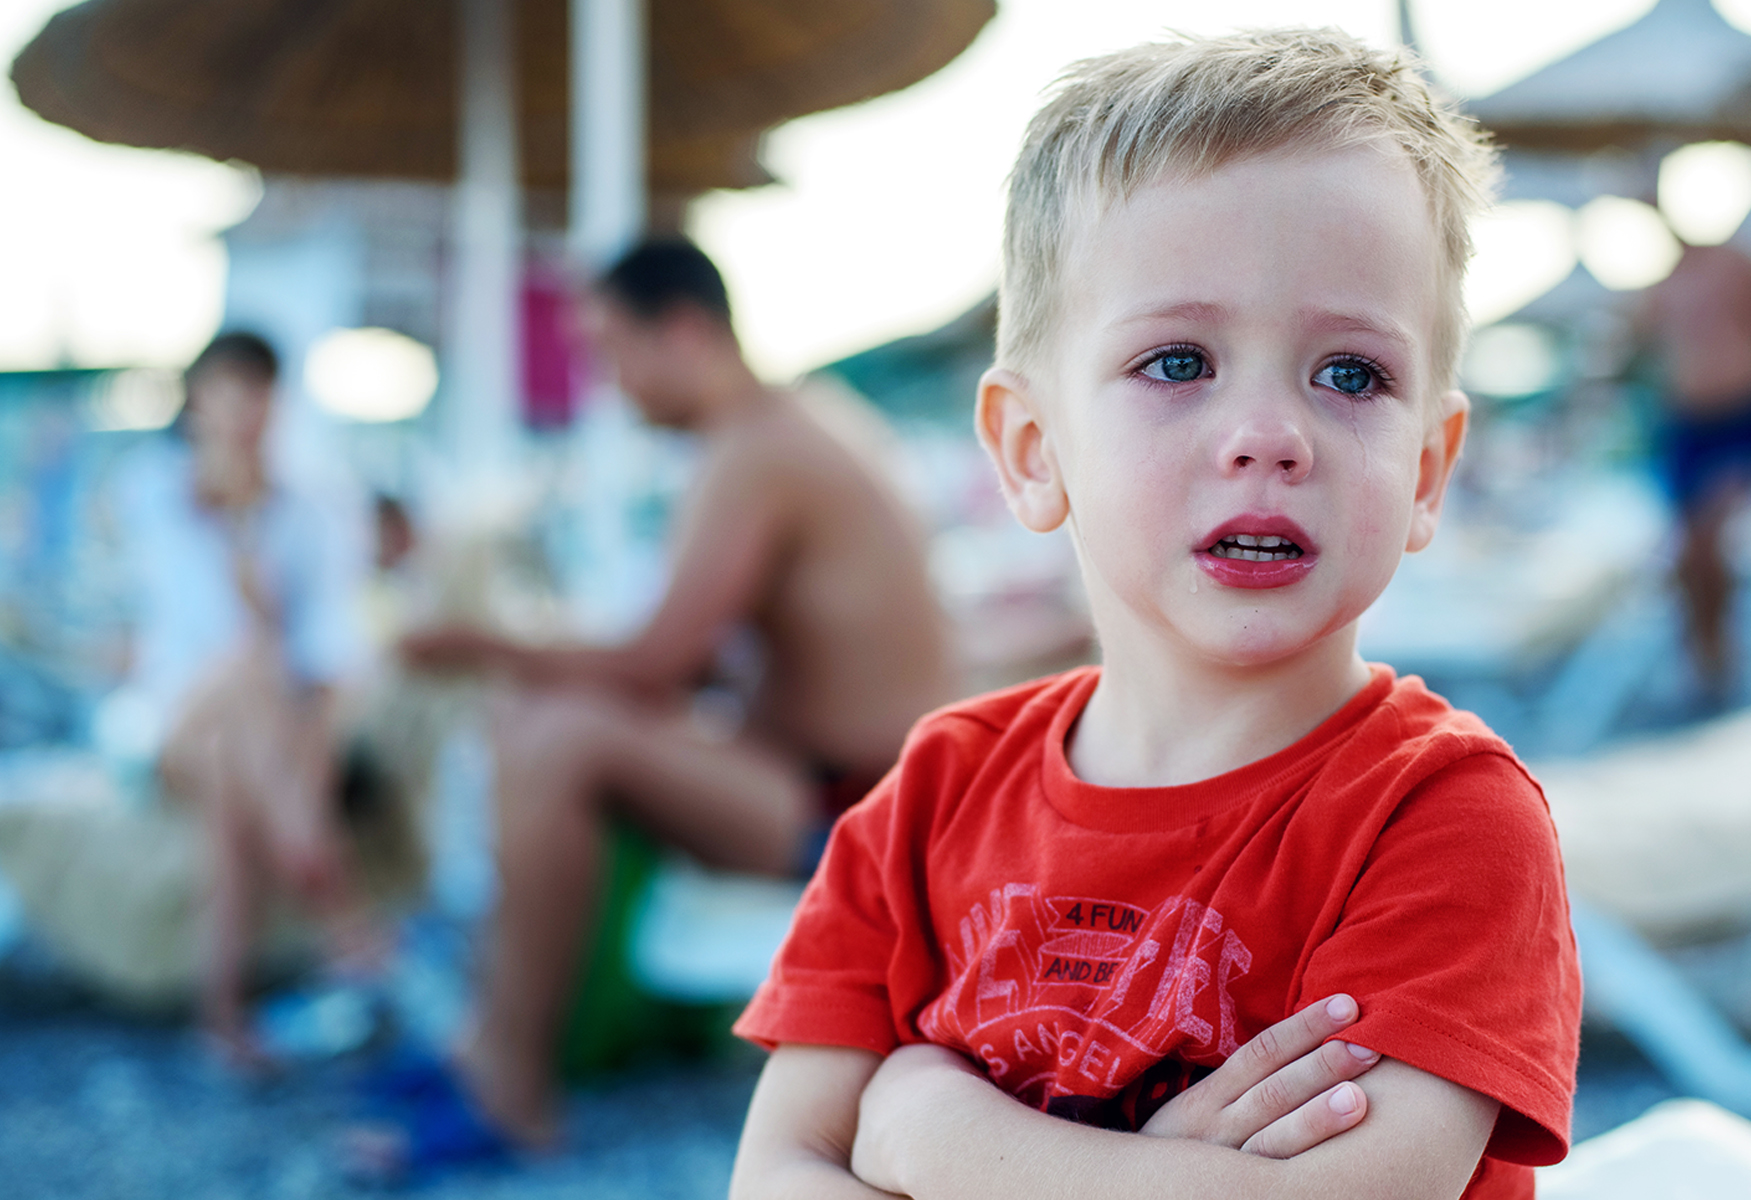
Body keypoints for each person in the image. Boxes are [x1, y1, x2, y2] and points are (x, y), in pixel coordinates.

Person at [729, 30, 1580, 1200]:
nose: (1269, 434)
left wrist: (932, 1132)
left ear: (1428, 471)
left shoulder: (1440, 821)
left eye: (1349, 375)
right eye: (1179, 362)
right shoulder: (931, 803)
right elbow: (774, 1175)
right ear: (1034, 452)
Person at [394, 236, 956, 1161]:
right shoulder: (796, 422)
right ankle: (490, 1044)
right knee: (547, 721)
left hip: (859, 817)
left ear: (685, 331)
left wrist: (468, 644)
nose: (608, 384)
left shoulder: (756, 450)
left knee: (561, 736)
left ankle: (514, 1088)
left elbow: (657, 660)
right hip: (837, 784)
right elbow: (694, 665)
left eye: (612, 352)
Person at [129, 331, 374, 1068]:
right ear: (197, 402)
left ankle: (223, 1020)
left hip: (260, 732)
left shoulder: (318, 504)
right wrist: (236, 516)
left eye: (256, 393)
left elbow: (326, 657)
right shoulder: (153, 490)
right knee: (240, 674)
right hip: (176, 716)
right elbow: (206, 646)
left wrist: (309, 763)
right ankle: (350, 933)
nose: (242, 413)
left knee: (233, 789)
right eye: (225, 393)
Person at [1637, 239, 1751, 708]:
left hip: (1737, 417)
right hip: (1690, 423)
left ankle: (1716, 666)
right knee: (1689, 553)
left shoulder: (1742, 267)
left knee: (1707, 544)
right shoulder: (1665, 285)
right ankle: (1707, 663)